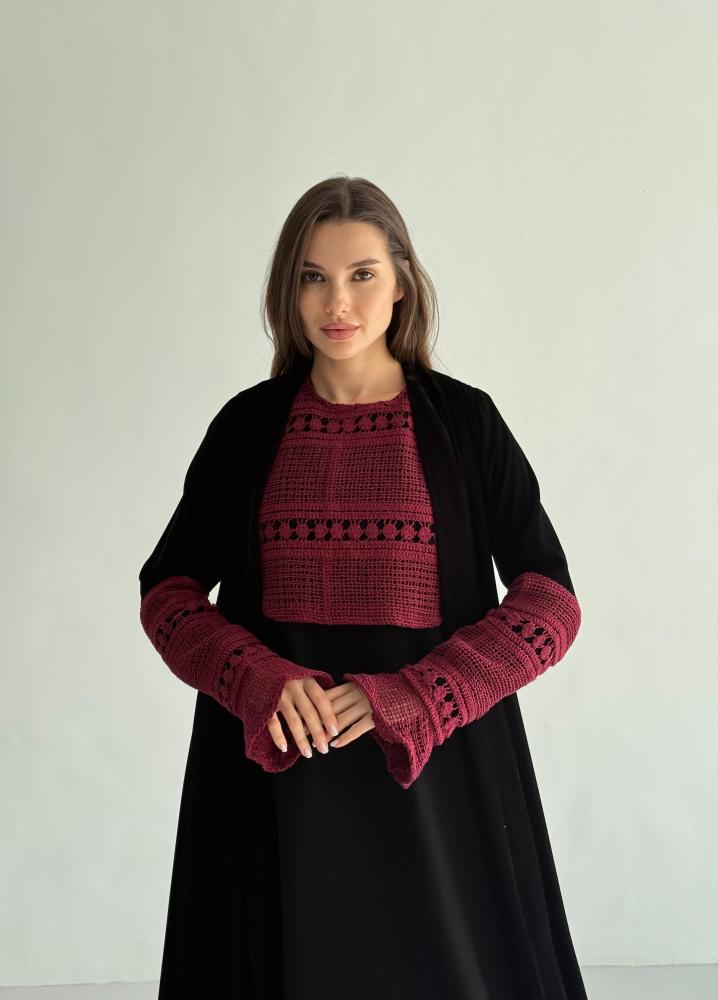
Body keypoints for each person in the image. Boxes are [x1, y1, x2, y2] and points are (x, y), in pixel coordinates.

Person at [138, 175, 588, 999]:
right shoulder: (245, 429)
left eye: (362, 274)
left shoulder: (467, 424)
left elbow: (549, 602)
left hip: (438, 791)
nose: (336, 302)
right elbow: (168, 593)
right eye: (313, 276)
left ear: (402, 281)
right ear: (289, 289)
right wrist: (255, 680)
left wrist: (421, 695)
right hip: (273, 796)